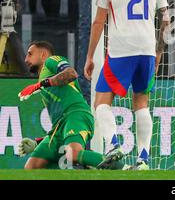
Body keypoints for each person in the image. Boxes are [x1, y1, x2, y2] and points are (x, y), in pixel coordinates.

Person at [84, 0, 170, 171]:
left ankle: (113, 144)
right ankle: (143, 160)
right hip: (147, 50)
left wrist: (90, 56)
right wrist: (159, 52)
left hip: (122, 49)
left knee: (101, 101)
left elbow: (99, 21)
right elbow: (167, 19)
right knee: (141, 103)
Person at [18, 40, 124, 169]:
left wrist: (43, 83)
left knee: (73, 153)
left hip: (76, 114)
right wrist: (37, 142)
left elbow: (71, 74)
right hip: (59, 127)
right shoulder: (43, 79)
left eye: (30, 54)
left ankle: (124, 169)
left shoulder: (51, 61)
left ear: (43, 54)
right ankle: (84, 170)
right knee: (32, 167)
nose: (25, 59)